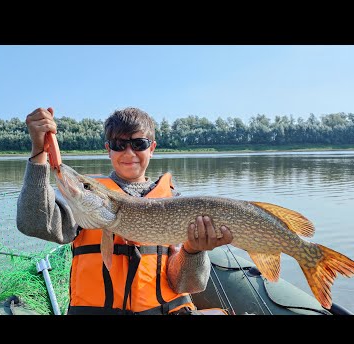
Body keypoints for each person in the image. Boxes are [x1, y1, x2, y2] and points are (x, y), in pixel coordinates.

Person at [17, 106, 233, 315]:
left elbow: (186, 284)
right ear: (108, 149)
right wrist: (39, 153)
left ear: (152, 148)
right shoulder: (85, 204)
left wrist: (193, 251)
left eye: (139, 144)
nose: (129, 153)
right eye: (119, 144)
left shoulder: (173, 202)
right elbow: (32, 222)